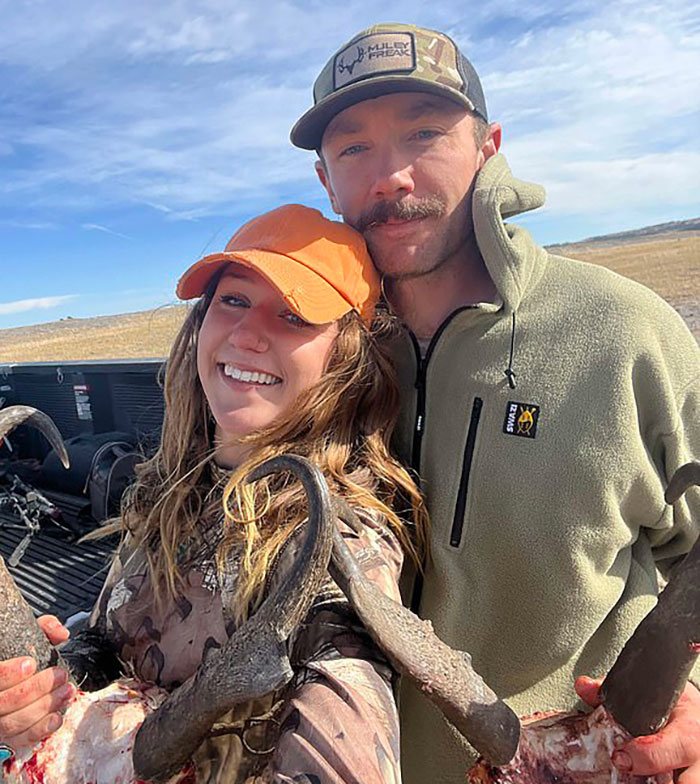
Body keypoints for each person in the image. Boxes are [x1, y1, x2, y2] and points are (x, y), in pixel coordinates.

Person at [289, 22, 700, 784]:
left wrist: (697, 701)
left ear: (488, 146)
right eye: (354, 149)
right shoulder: (314, 358)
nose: (391, 177)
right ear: (325, 180)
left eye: (424, 134)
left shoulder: (627, 335)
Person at [0, 204, 428, 784]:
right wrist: (54, 684)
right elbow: (112, 635)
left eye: (295, 315)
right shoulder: (170, 483)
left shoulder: (333, 538)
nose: (247, 334)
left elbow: (347, 697)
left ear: (347, 358)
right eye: (233, 300)